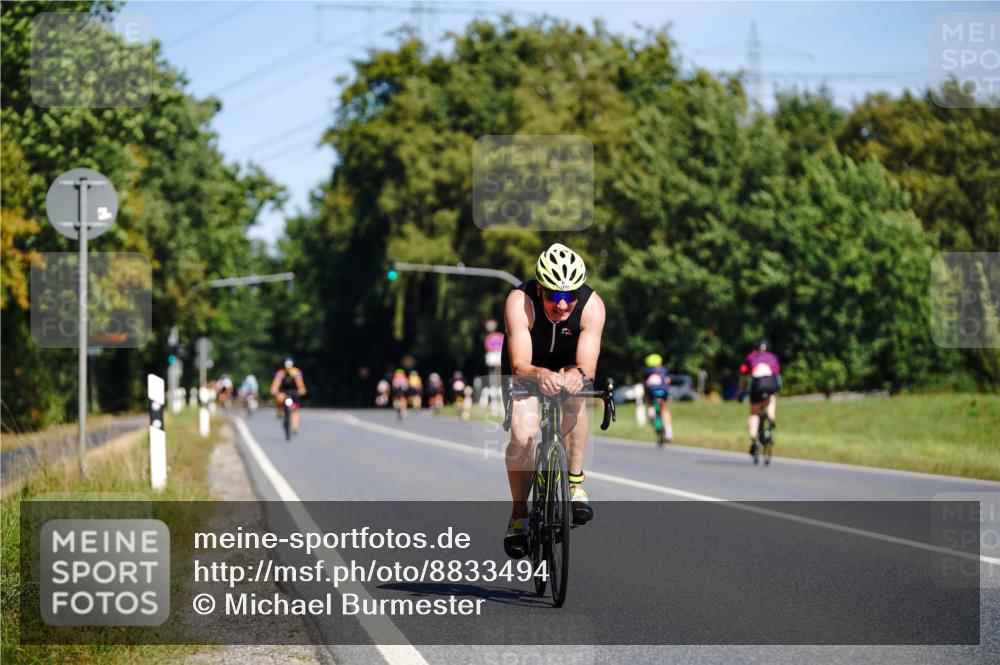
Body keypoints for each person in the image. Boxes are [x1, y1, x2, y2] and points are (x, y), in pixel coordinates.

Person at [500, 243, 606, 559]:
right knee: (524, 436)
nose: (562, 305)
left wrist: (577, 375)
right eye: (554, 296)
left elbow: (588, 364)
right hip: (528, 367)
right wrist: (540, 374)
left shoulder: (592, 306)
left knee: (576, 395)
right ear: (540, 288)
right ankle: (519, 516)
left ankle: (575, 483)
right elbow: (519, 364)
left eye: (570, 296)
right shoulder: (520, 302)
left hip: (567, 363)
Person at [738, 337, 781, 456]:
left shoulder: (752, 356)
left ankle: (753, 438)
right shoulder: (773, 357)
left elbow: (742, 373)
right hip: (770, 383)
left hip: (757, 385)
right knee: (771, 399)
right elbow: (777, 376)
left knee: (754, 413)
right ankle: (771, 417)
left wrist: (740, 391)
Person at [270, 357, 307, 435]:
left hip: (294, 393)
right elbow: (276, 383)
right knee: (279, 398)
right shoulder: (281, 372)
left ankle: (295, 426)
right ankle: (280, 410)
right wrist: (274, 390)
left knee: (295, 409)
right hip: (284, 392)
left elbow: (300, 383)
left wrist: (301, 389)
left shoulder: (296, 372)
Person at [642, 353, 673, 443]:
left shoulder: (646, 371)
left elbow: (645, 384)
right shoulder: (664, 370)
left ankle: (651, 410)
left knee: (649, 399)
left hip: (652, 392)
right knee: (664, 410)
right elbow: (668, 381)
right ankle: (669, 432)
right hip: (663, 392)